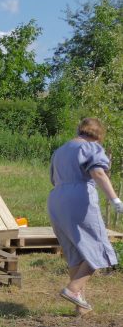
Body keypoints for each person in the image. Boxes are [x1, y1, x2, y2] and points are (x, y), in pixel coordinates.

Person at [48, 117, 123, 315]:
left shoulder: (60, 150)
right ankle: (73, 290)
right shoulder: (91, 148)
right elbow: (98, 173)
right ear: (98, 135)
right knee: (99, 248)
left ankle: (80, 308)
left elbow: (53, 179)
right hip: (79, 199)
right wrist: (115, 200)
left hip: (56, 200)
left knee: (76, 254)